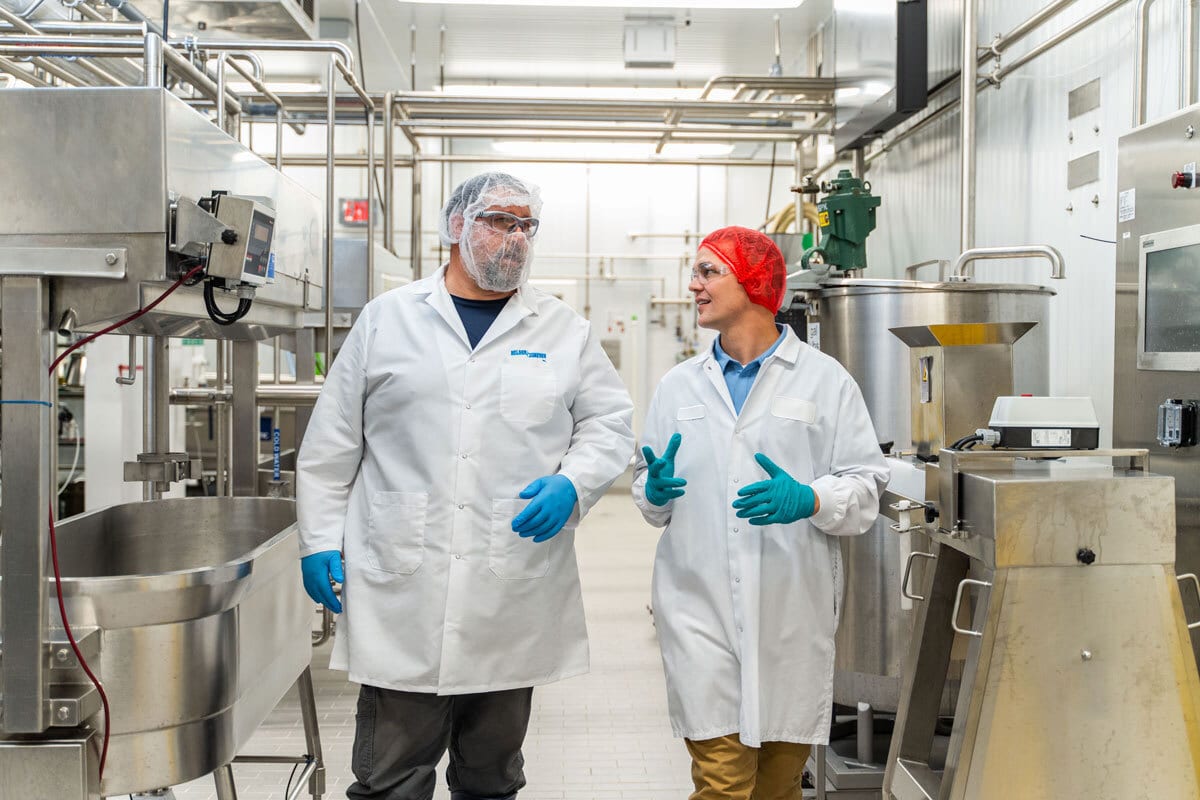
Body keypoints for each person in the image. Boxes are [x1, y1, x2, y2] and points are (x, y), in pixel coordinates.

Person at [296, 172, 635, 800]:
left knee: (491, 778)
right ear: (456, 226)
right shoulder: (387, 321)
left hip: (509, 592)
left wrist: (574, 482)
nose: (517, 238)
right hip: (403, 585)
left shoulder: (562, 330)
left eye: (526, 226)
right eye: (499, 221)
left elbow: (611, 425)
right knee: (392, 778)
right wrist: (317, 539)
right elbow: (330, 446)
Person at [632, 226, 889, 800]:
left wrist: (812, 498)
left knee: (776, 785)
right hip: (697, 608)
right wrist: (655, 489)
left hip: (789, 613)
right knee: (722, 782)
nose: (692, 285)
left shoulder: (825, 381)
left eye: (707, 271)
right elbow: (648, 500)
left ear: (751, 282)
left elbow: (867, 485)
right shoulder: (678, 387)